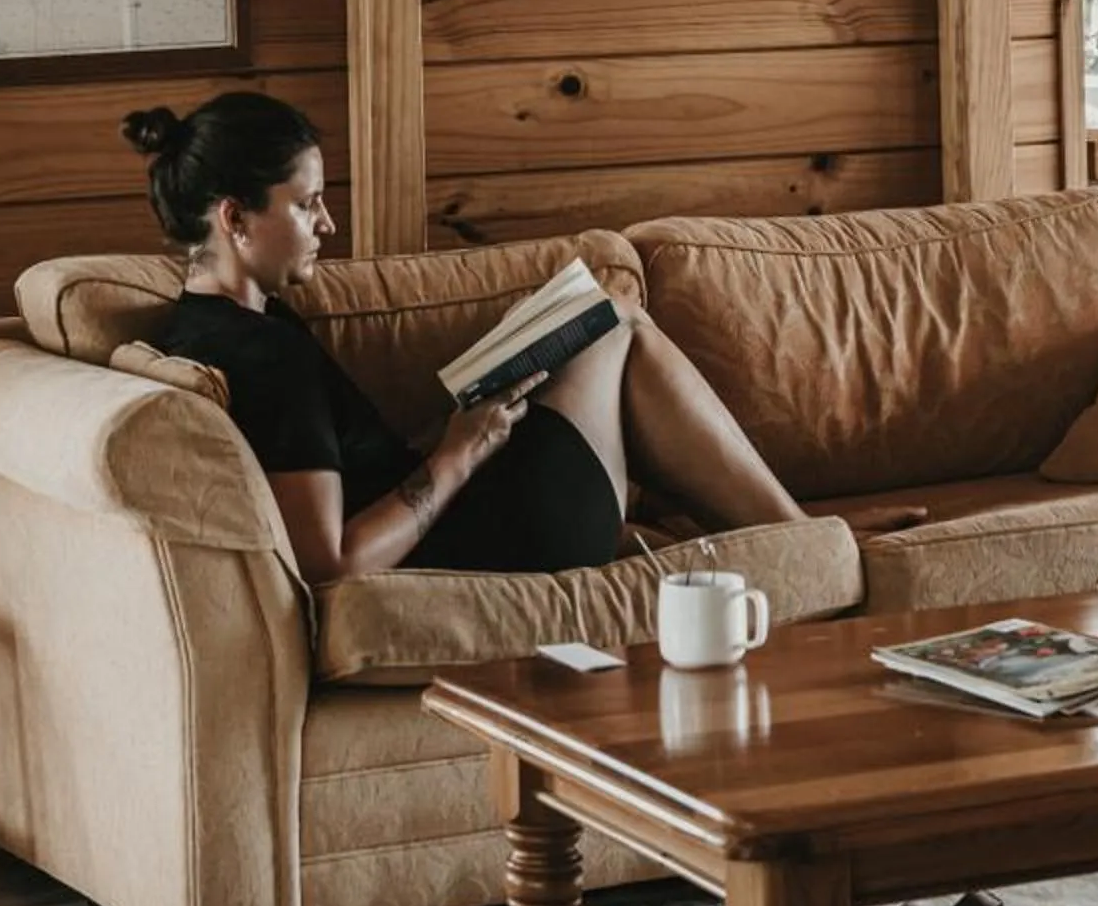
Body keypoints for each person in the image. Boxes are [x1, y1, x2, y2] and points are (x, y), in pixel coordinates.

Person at [129, 91, 916, 588]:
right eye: (307, 205)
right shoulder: (268, 359)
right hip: (496, 543)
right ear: (234, 218)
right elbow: (329, 562)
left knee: (600, 321)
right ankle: (808, 544)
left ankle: (789, 536)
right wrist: (458, 453)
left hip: (462, 513)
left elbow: (348, 470)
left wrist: (455, 429)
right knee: (616, 322)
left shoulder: (213, 324)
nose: (327, 225)